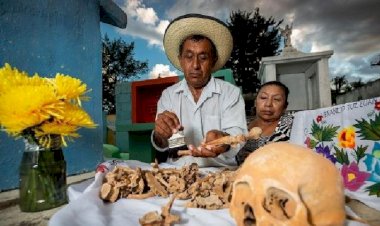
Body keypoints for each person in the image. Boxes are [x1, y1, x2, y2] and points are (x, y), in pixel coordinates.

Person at [151, 14, 247, 167]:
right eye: (189, 57)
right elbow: (167, 145)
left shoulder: (230, 94)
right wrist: (160, 135)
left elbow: (238, 136)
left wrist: (223, 140)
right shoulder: (168, 95)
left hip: (220, 171)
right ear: (180, 59)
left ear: (213, 60)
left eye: (203, 57)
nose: (195, 65)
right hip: (178, 171)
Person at [235, 81, 294, 165]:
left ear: (285, 106)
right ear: (255, 102)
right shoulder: (241, 125)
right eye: (263, 98)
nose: (268, 104)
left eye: (276, 99)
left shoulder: (292, 125)